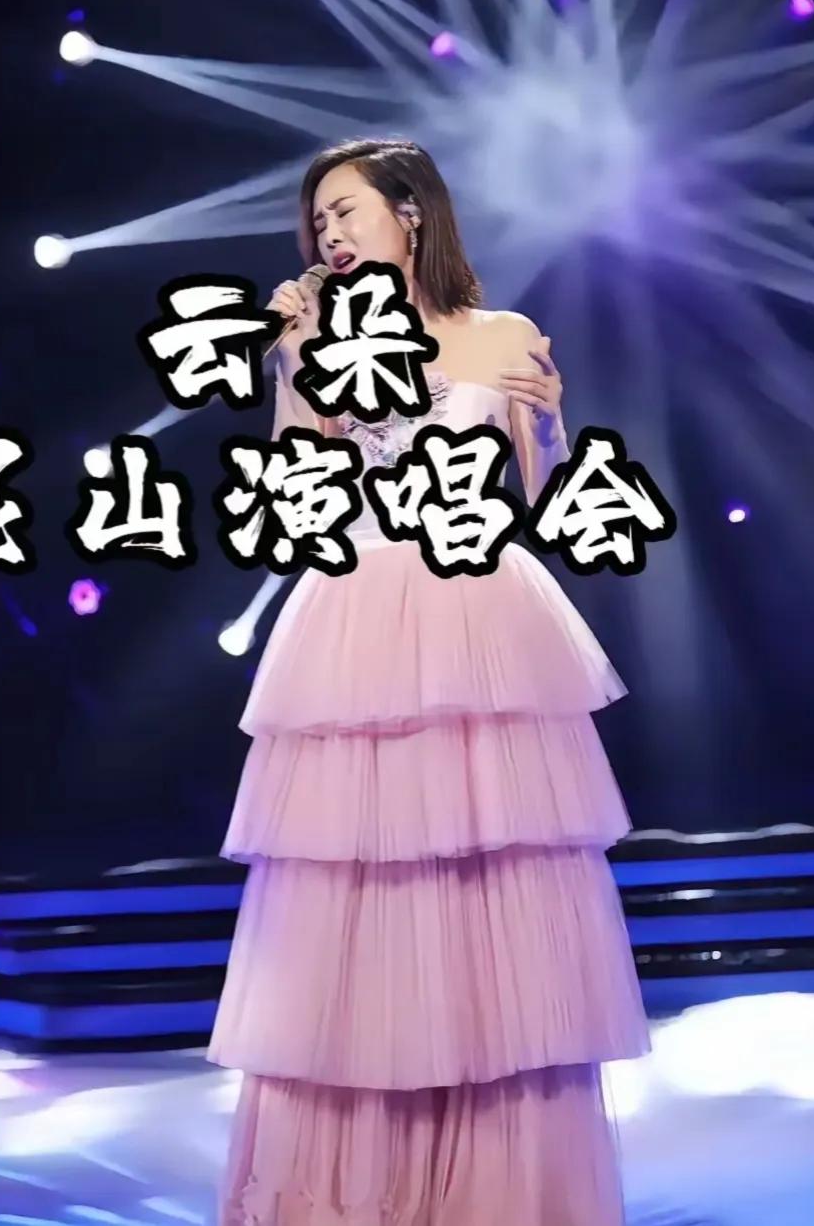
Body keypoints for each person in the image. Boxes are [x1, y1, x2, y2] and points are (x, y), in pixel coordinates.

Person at [207, 137, 651, 1224]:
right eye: (319, 222)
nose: (330, 234)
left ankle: (495, 1187)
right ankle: (358, 1186)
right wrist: (292, 364)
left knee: (494, 892)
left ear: (410, 214)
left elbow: (537, 495)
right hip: (357, 612)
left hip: (477, 612)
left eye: (347, 211)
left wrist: (548, 422)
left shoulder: (502, 333)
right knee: (359, 898)